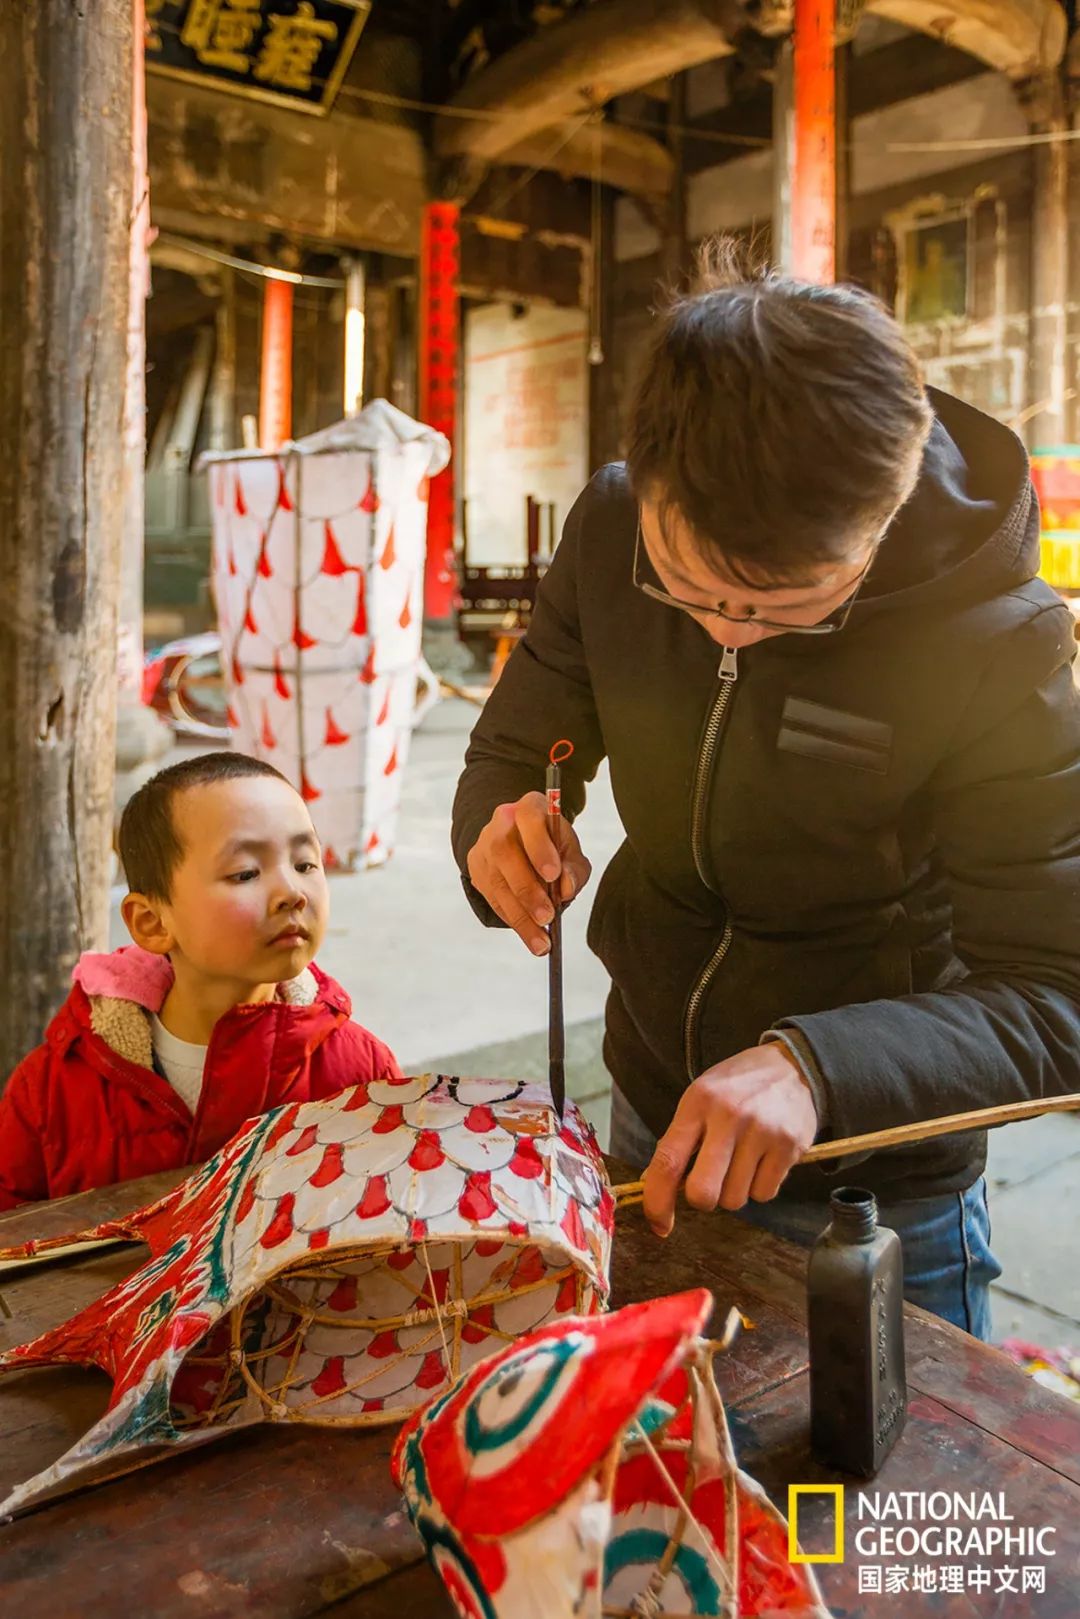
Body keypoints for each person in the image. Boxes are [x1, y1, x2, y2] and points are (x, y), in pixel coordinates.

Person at [451, 242, 1080, 1340]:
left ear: (880, 518)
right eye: (686, 586)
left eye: (787, 606)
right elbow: (517, 740)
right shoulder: (606, 530)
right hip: (651, 1106)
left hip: (873, 1180)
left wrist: (819, 1066)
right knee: (660, 1467)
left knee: (876, 1501)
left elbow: (1058, 993)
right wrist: (494, 826)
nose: (725, 630)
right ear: (643, 476)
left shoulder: (1000, 644)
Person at [0, 753, 400, 1209]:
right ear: (152, 922)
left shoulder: (360, 1073)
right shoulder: (53, 1090)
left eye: (306, 863)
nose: (291, 892)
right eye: (246, 873)